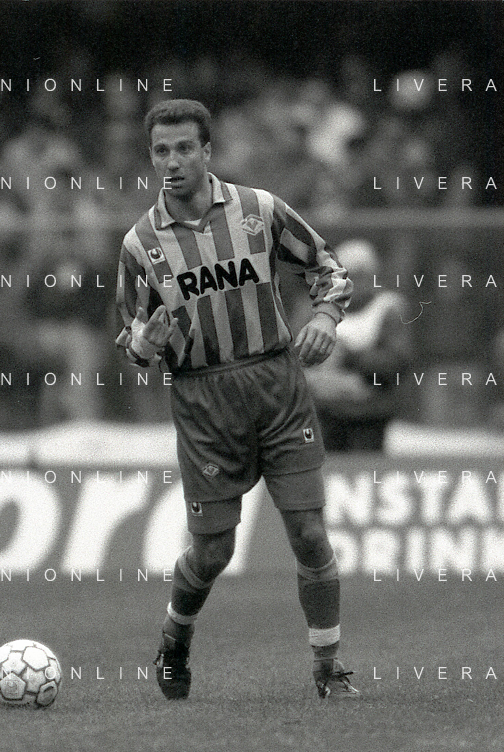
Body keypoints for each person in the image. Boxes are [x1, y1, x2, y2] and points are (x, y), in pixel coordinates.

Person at [115, 99, 358, 700]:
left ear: (207, 151)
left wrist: (325, 317)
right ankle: (175, 637)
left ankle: (328, 669)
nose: (172, 161)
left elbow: (329, 267)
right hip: (204, 401)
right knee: (213, 551)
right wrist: (145, 345)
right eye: (161, 151)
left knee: (308, 532)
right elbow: (133, 341)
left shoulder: (260, 210)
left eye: (183, 148)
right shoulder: (140, 244)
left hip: (277, 385)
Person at [300, 239, 411, 451]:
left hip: (368, 417)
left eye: (360, 275)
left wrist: (350, 357)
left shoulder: (388, 309)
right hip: (324, 415)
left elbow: (395, 363)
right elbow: (293, 359)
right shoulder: (316, 309)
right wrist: (320, 380)